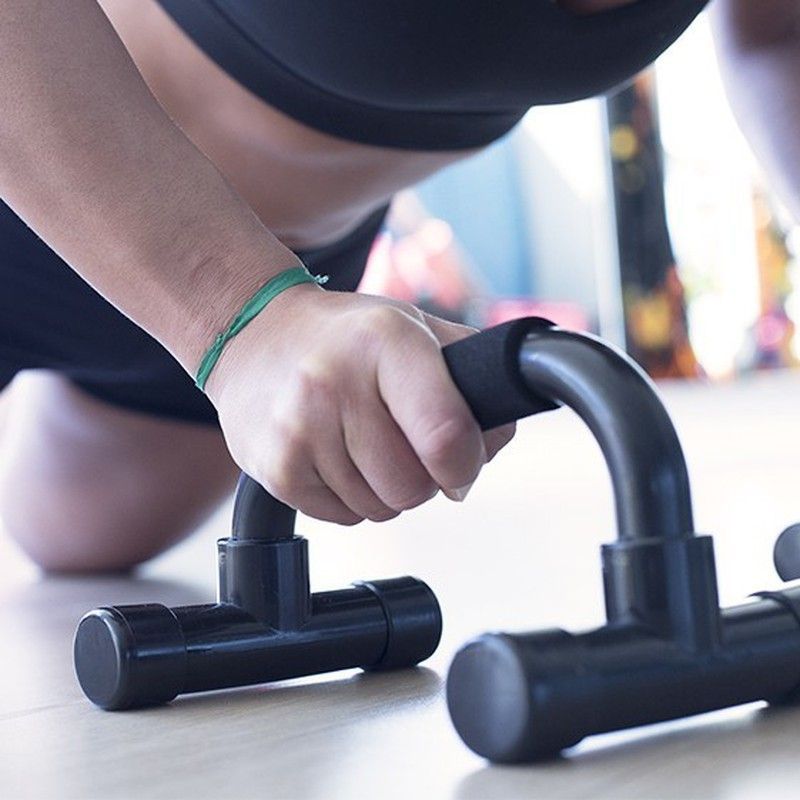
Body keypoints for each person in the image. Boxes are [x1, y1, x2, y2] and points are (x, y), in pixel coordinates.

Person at [0, 0, 780, 572]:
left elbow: (780, 35)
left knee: (81, 540)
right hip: (94, 212)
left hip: (293, 273)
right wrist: (235, 320)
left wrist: (262, 314)